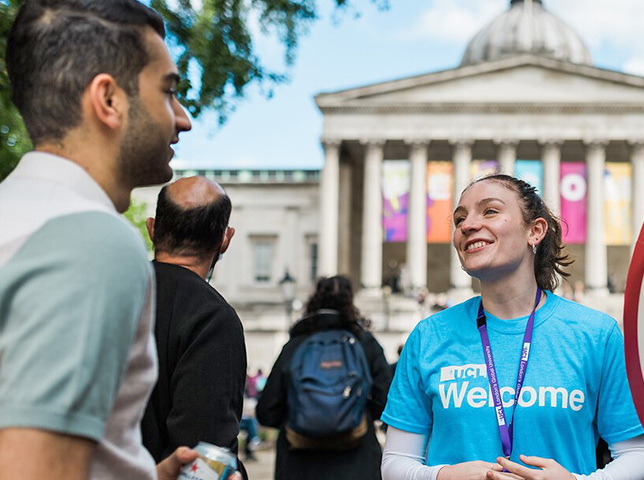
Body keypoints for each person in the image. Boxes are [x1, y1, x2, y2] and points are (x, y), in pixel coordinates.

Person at [0, 1, 237, 478]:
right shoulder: (89, 240)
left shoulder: (17, 211)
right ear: (108, 99)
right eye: (168, 91)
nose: (183, 118)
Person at [381, 174, 644, 480]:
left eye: (489, 211)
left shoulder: (595, 334)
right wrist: (442, 476)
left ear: (535, 231)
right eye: (460, 218)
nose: (467, 225)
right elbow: (395, 462)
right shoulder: (428, 336)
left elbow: (638, 454)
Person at [140, 177, 249, 474]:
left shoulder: (108, 291)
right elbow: (202, 456)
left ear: (151, 229)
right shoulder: (213, 318)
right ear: (225, 239)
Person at [257, 275, 391, 480]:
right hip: (357, 461)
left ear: (315, 300)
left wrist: (304, 416)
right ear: (350, 302)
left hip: (299, 464)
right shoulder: (365, 343)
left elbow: (266, 411)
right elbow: (387, 403)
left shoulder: (295, 346)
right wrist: (354, 413)